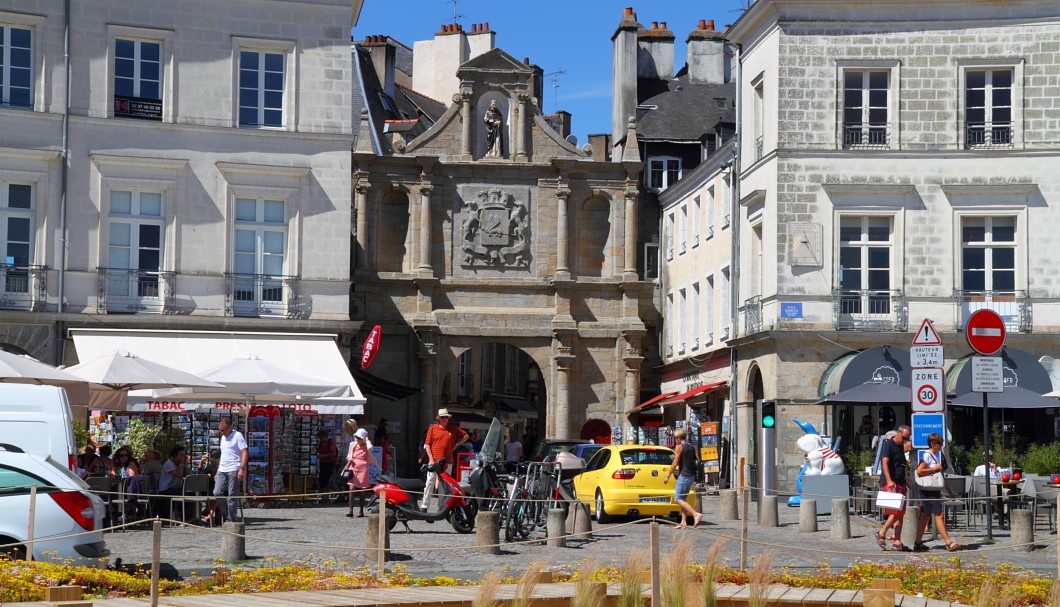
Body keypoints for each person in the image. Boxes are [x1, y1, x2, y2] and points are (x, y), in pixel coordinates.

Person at [912, 433, 962, 552]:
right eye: (939, 443)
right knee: (939, 515)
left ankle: (918, 542)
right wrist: (934, 468)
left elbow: (939, 477)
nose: (941, 446)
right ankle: (948, 542)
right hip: (929, 491)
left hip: (932, 490)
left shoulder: (934, 456)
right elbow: (919, 471)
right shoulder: (928, 455)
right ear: (933, 444)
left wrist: (950, 492)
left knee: (925, 516)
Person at [421, 408, 468, 511]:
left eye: (446, 417)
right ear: (439, 419)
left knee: (444, 486)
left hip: (447, 462)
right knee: (429, 483)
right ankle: (424, 506)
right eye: (442, 417)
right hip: (434, 461)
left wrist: (456, 445)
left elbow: (465, 436)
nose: (445, 419)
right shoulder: (433, 428)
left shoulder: (453, 429)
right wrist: (431, 459)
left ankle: (441, 508)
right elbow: (427, 445)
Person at [875, 424, 911, 551]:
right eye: (905, 437)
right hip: (891, 483)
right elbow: (884, 462)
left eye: (908, 438)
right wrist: (889, 480)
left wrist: (907, 479)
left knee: (900, 513)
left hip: (900, 482)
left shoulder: (901, 447)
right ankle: (882, 532)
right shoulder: (888, 445)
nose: (906, 441)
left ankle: (897, 540)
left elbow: (903, 464)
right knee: (896, 510)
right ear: (899, 433)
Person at [664, 428, 703, 529]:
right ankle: (683, 522)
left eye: (675, 438)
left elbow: (675, 463)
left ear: (678, 437)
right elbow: (698, 460)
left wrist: (668, 475)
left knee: (678, 498)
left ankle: (695, 514)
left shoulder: (679, 447)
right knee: (683, 499)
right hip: (691, 475)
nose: (674, 440)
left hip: (684, 475)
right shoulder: (691, 446)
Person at [214, 417, 248, 523]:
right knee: (217, 492)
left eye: (223, 430)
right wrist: (217, 471)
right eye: (220, 430)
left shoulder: (237, 436)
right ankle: (227, 514)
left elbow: (245, 452)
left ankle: (232, 519)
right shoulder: (223, 438)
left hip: (234, 468)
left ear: (229, 428)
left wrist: (242, 469)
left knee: (232, 495)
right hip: (222, 469)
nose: (222, 432)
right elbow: (223, 455)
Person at [345, 428, 377, 518]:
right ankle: (350, 510)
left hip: (363, 469)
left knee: (362, 490)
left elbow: (371, 447)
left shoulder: (367, 446)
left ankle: (361, 510)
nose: (357, 439)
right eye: (356, 437)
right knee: (351, 489)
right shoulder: (353, 444)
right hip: (353, 468)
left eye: (359, 438)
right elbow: (348, 455)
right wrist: (349, 458)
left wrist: (366, 439)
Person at [156, 445, 187, 519]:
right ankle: (180, 515)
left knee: (189, 493)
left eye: (184, 455)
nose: (183, 457)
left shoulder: (178, 464)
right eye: (181, 455)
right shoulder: (169, 464)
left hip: (174, 487)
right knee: (183, 494)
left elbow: (187, 474)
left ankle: (187, 516)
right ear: (175, 455)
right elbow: (178, 474)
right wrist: (182, 464)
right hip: (165, 489)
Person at [196, 449, 222, 524]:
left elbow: (199, 475)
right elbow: (200, 475)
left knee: (216, 493)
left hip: (211, 491)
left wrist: (201, 462)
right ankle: (208, 512)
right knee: (216, 493)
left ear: (211, 457)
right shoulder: (221, 466)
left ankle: (208, 513)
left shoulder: (211, 466)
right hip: (215, 491)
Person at [316, 429, 339, 503]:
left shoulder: (330, 443)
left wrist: (325, 455)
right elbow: (318, 451)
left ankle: (326, 497)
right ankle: (323, 497)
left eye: (322, 437)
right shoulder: (320, 443)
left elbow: (333, 454)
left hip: (330, 464)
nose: (322, 439)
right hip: (322, 463)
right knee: (321, 480)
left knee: (326, 480)